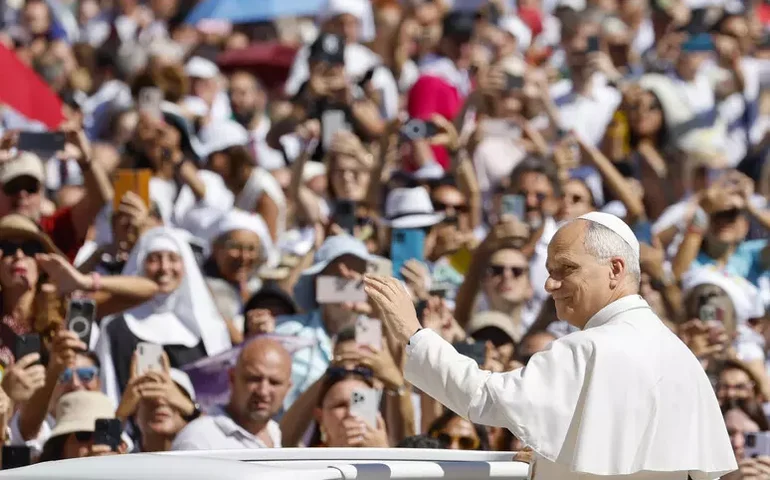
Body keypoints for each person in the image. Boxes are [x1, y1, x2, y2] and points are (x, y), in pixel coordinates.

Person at [365, 211, 736, 479]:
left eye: (566, 270)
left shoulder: (590, 348)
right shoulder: (682, 357)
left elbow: (483, 398)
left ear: (616, 269)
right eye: (549, 272)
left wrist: (414, 334)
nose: (550, 286)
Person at [171, 337, 292, 450]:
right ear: (232, 378)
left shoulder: (274, 432)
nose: (263, 391)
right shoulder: (198, 440)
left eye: (274, 382)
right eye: (254, 379)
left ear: (288, 387)